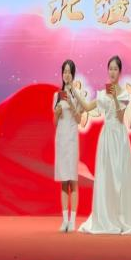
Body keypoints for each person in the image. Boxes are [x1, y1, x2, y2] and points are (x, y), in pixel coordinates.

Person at [71, 55, 131, 234]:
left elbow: (121, 117)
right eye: (110, 69)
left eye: (115, 69)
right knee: (106, 176)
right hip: (106, 137)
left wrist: (114, 97)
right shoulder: (102, 93)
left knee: (120, 176)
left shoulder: (124, 94)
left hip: (119, 138)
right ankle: (107, 216)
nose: (112, 72)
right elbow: (87, 107)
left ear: (120, 72)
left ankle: (122, 216)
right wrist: (74, 92)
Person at [53, 59, 82, 232]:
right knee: (63, 181)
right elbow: (54, 122)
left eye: (69, 72)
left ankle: (73, 221)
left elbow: (79, 119)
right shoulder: (57, 95)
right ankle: (64, 220)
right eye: (64, 71)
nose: (67, 75)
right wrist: (57, 113)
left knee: (73, 180)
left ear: (73, 74)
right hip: (61, 140)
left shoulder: (77, 94)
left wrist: (71, 103)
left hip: (72, 139)